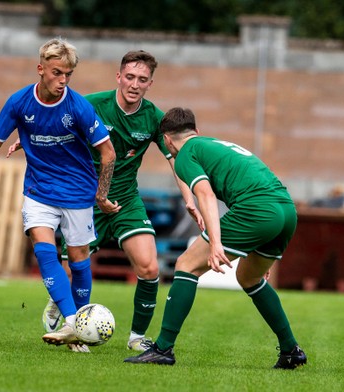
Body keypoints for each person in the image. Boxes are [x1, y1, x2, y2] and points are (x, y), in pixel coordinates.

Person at [10, 50, 203, 352]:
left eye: (142, 79)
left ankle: (137, 338)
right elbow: (54, 123)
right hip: (86, 198)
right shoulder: (92, 104)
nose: (134, 84)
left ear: (150, 83)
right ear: (118, 76)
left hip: (125, 200)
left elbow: (176, 162)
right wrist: (27, 138)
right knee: (73, 269)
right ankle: (67, 318)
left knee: (150, 267)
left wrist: (190, 199)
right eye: (129, 77)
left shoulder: (153, 117)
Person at [124, 107, 307, 369]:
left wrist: (216, 244)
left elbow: (206, 195)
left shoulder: (186, 154)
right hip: (286, 209)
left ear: (166, 140)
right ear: (196, 131)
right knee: (249, 277)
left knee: (186, 264)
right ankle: (291, 350)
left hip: (258, 209)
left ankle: (163, 348)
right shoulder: (213, 143)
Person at [0, 37, 118, 353]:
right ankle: (72, 322)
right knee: (44, 253)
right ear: (41, 69)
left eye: (68, 74)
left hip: (78, 193)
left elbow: (108, 153)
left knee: (79, 262)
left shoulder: (79, 106)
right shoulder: (19, 102)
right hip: (39, 191)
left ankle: (76, 327)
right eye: (57, 73)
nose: (63, 80)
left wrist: (101, 195)